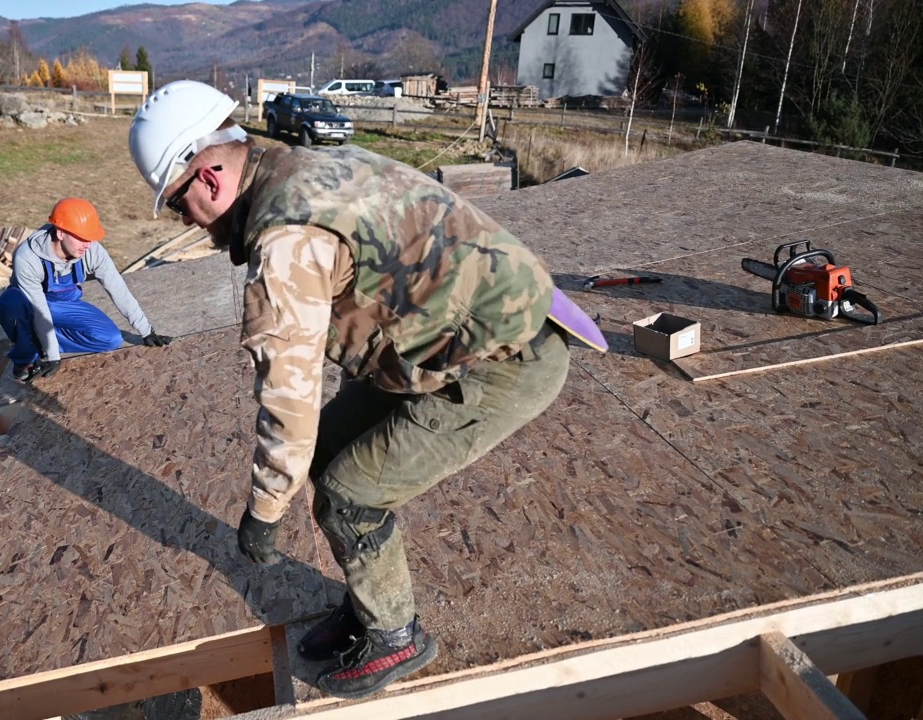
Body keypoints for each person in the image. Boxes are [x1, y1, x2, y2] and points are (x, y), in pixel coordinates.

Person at [127, 81, 606, 700]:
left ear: (211, 180)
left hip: (504, 357)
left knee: (351, 494)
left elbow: (288, 397)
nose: (184, 221)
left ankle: (394, 633)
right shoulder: (297, 163)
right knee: (329, 455)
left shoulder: (286, 243)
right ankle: (367, 599)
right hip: (453, 328)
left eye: (177, 204)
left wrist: (264, 511)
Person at [0, 197, 172, 382]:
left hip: (66, 304)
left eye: (90, 237)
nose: (88, 244)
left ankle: (37, 339)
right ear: (61, 233)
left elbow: (118, 289)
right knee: (10, 303)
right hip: (31, 304)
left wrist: (146, 330)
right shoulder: (28, 257)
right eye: (81, 238)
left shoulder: (92, 250)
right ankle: (26, 357)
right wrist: (53, 357)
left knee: (110, 339)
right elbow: (40, 310)